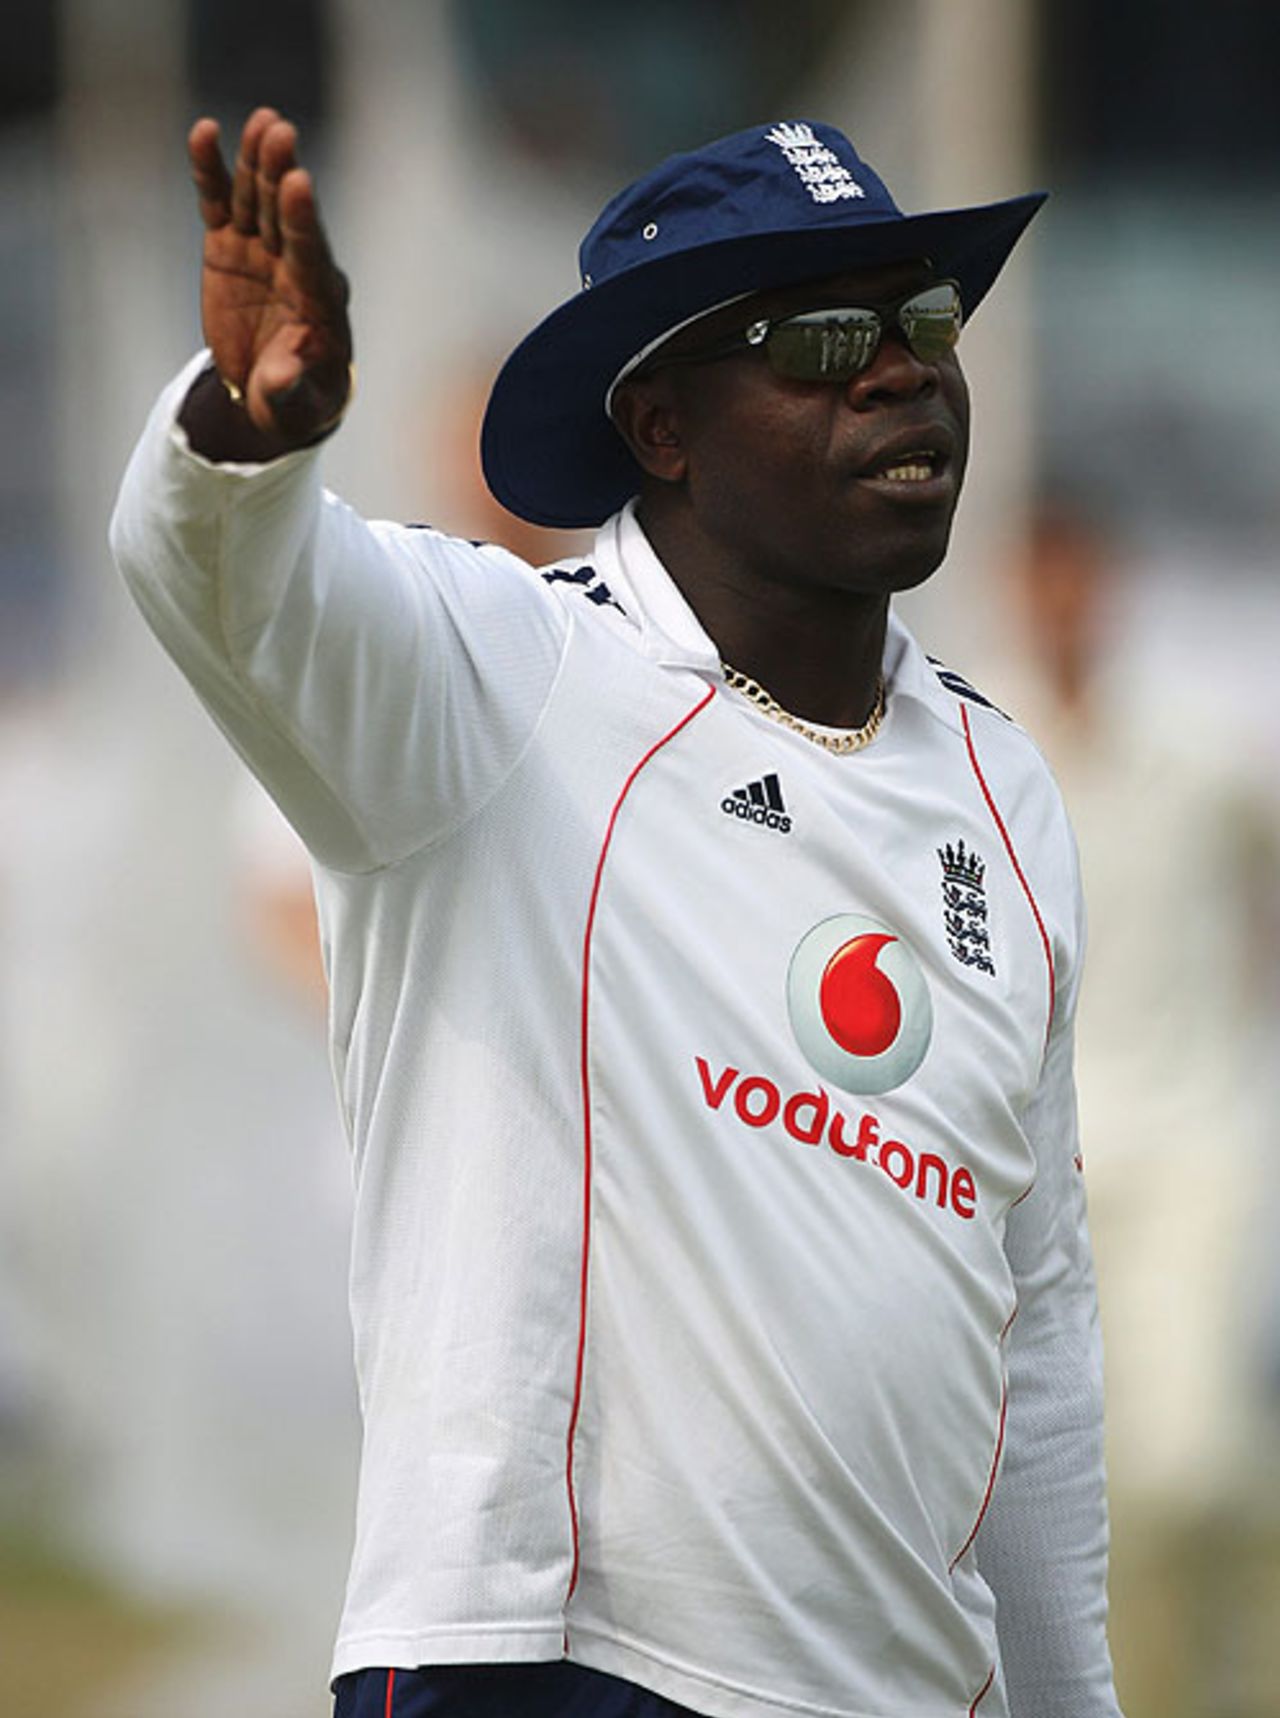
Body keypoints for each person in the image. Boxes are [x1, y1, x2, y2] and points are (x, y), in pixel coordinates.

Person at [111, 108, 1123, 1718]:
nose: (904, 372)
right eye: (825, 338)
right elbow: (226, 589)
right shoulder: (504, 671)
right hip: (561, 1667)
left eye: (925, 322)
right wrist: (250, 436)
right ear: (662, 426)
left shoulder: (1008, 795)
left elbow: (1039, 1336)